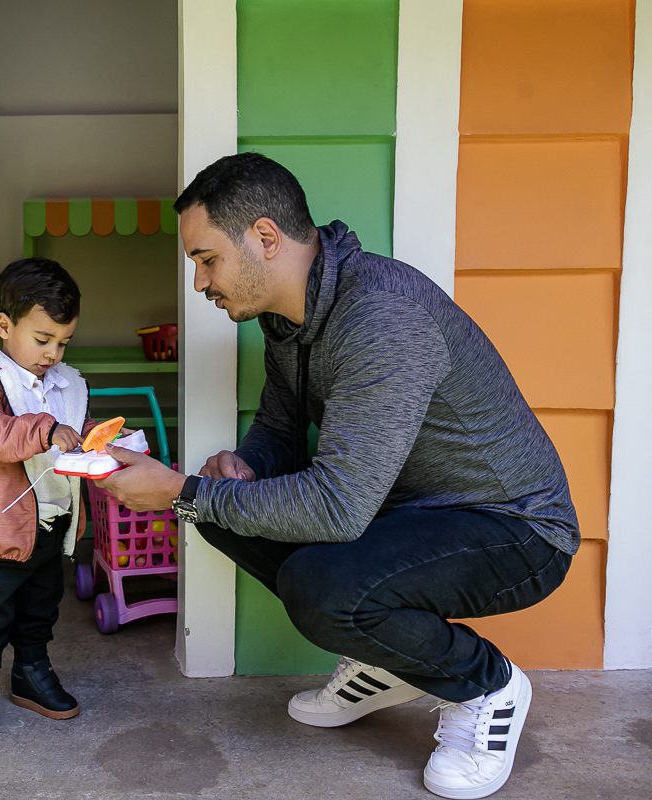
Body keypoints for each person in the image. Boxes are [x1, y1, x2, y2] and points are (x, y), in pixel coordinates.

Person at [96, 153, 578, 800]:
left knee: (319, 585)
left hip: (513, 528)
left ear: (265, 238)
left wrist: (182, 492)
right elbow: (279, 428)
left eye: (207, 259)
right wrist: (245, 466)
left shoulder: (381, 316)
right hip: (403, 511)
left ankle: (485, 685)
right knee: (222, 513)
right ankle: (389, 661)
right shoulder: (287, 317)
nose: (200, 282)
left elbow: (339, 509)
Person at [0, 257, 96, 741]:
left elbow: (71, 429)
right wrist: (44, 429)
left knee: (40, 607)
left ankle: (30, 670)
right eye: (43, 338)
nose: (52, 353)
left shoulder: (61, 382)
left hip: (50, 520)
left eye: (63, 342)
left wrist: (101, 439)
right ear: (5, 326)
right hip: (0, 526)